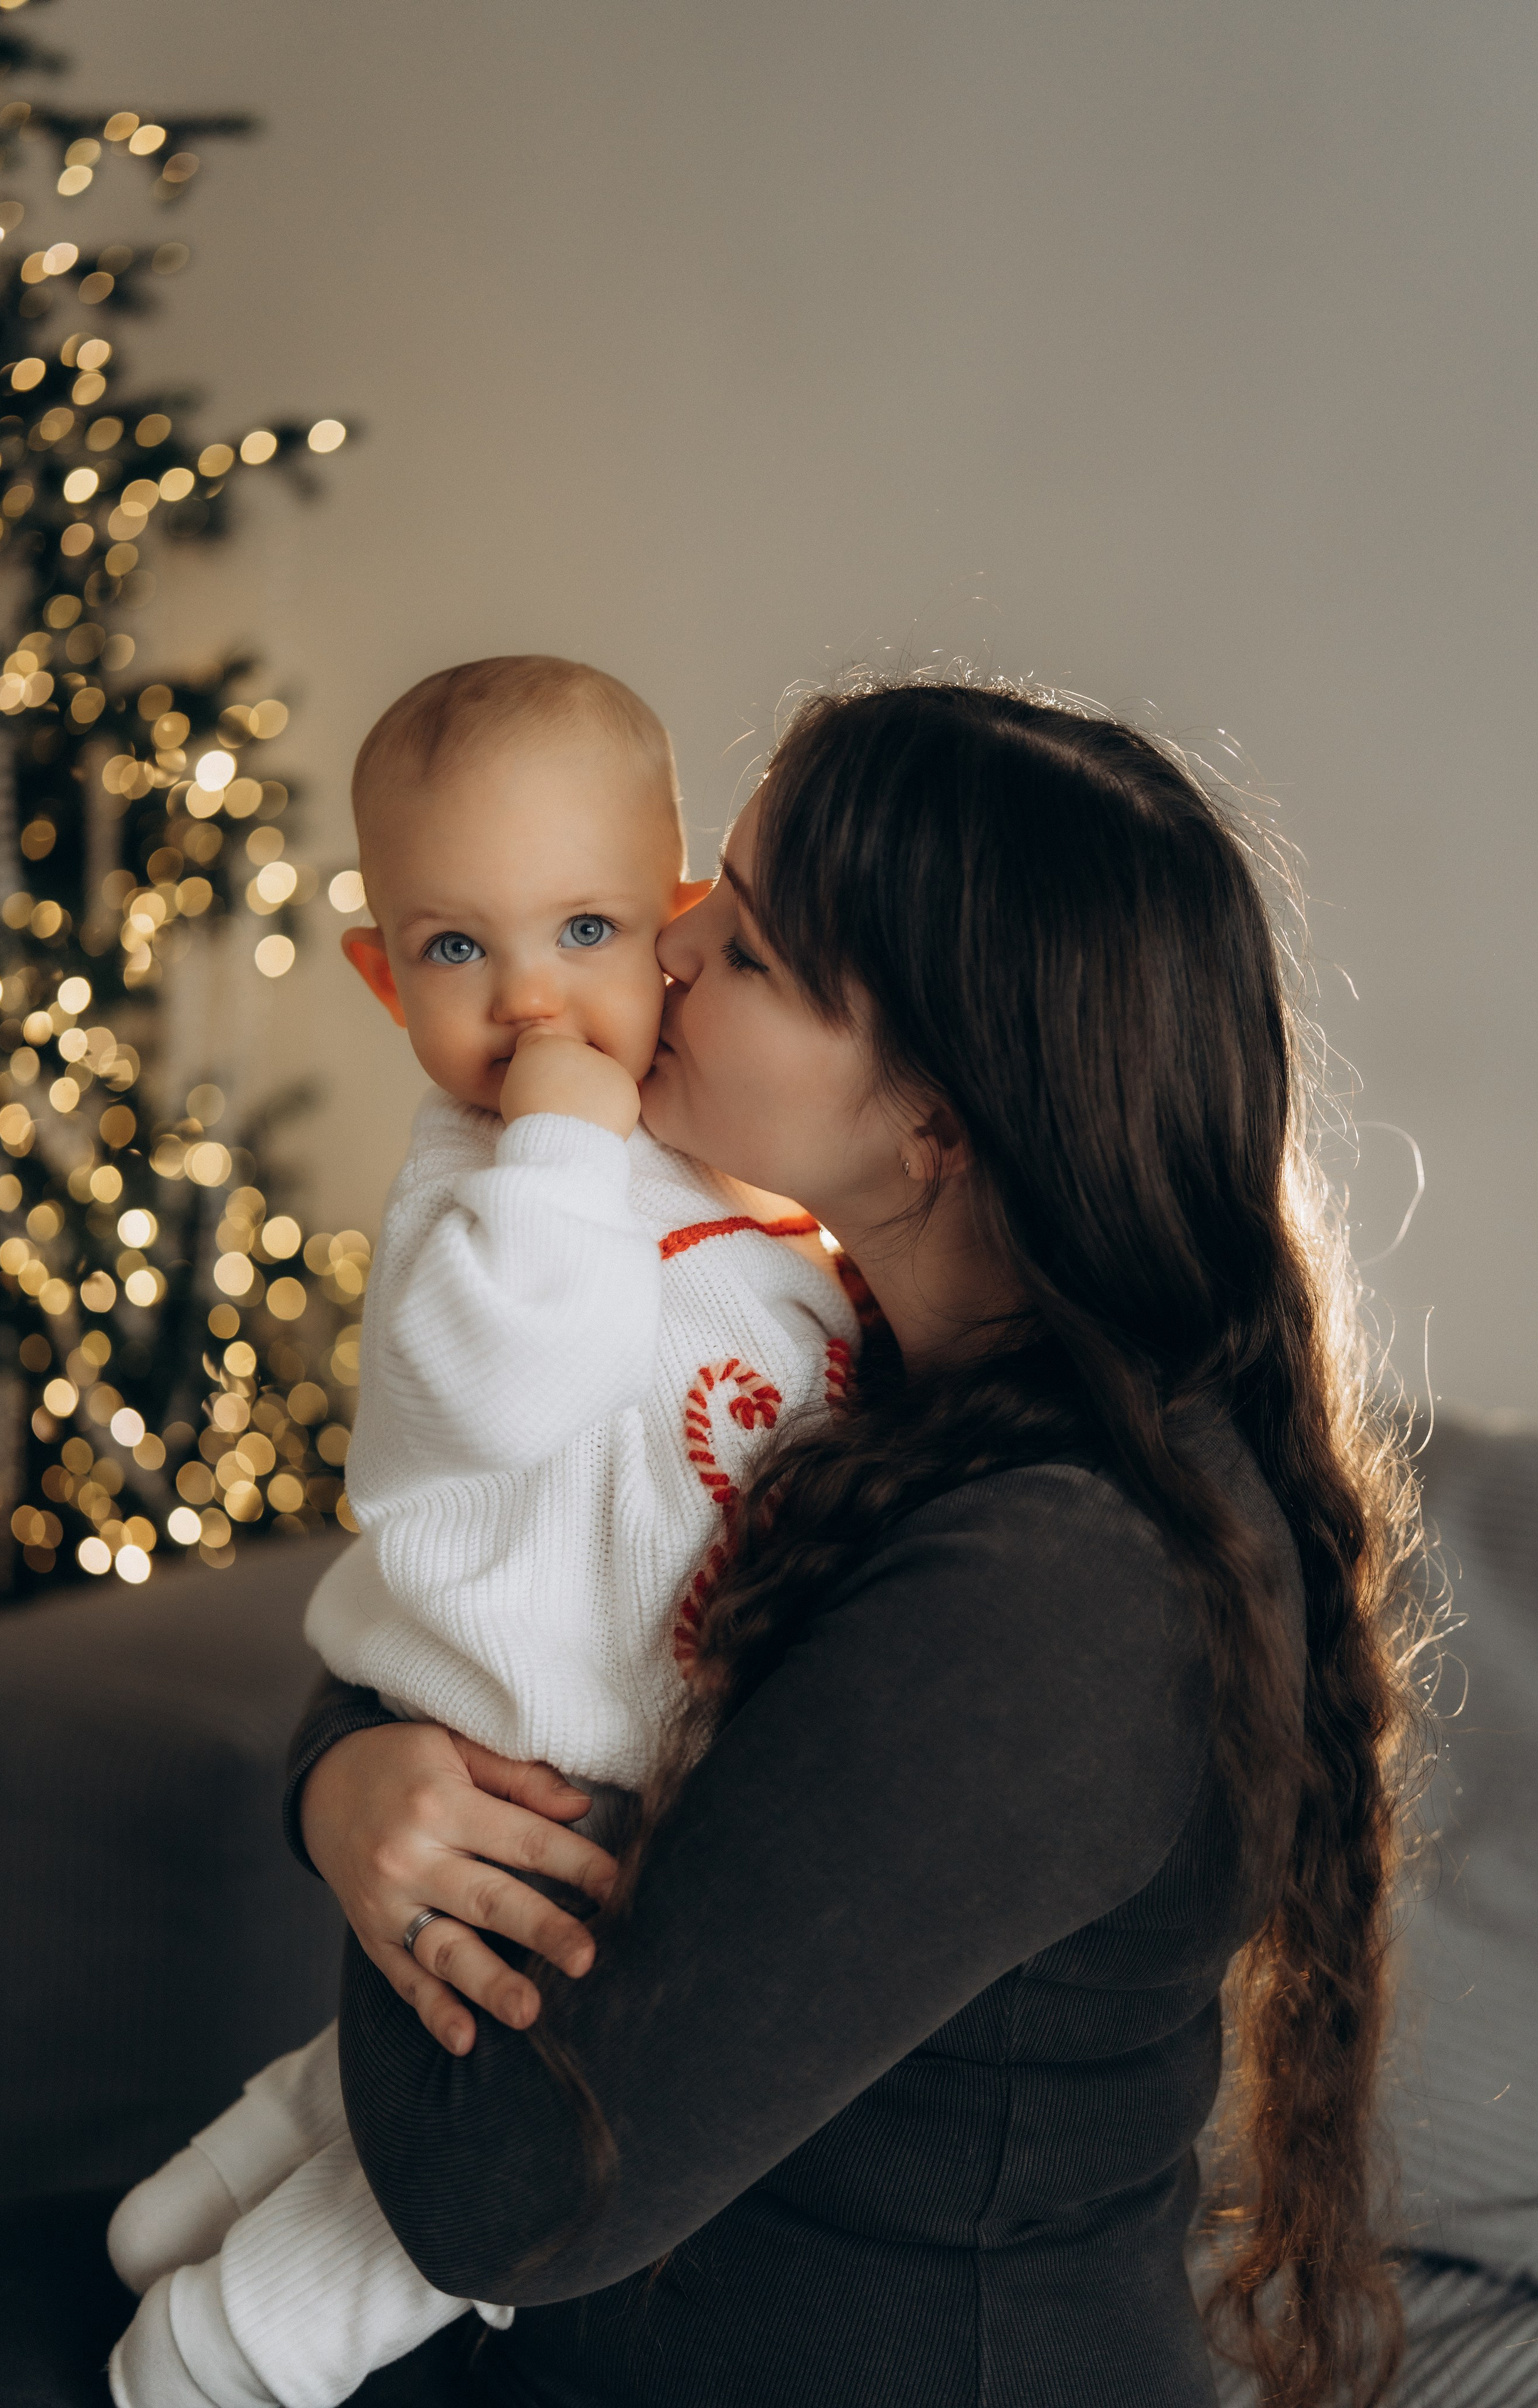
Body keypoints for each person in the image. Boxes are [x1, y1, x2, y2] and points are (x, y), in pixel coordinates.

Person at [289, 677, 1421, 2408]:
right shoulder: (848, 1360)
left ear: (934, 1124)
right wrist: (349, 1772)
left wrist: (382, 1767)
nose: (665, 946)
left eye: (744, 946)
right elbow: (514, 1586)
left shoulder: (1060, 1588)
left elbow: (504, 2194)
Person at [105, 657, 861, 2408]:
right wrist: (559, 1154)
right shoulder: (494, 1178)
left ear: (676, 934)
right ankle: (207, 2355)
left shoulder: (731, 1177)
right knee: (521, 2104)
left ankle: (216, 2181)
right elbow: (516, 1387)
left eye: (584, 929)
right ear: (385, 978)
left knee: (418, 2052)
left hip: (614, 1758)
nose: (530, 997)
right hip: (544, 1768)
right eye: (458, 948)